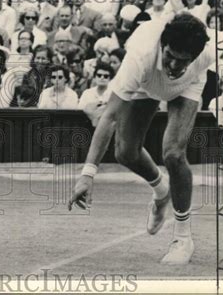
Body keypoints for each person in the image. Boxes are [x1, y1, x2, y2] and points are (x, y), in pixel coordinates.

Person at [68, 14, 214, 265]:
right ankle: (162, 190)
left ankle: (182, 238)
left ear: (194, 57)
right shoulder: (140, 56)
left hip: (187, 87)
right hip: (146, 83)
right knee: (125, 152)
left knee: (173, 153)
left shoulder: (207, 54)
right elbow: (110, 116)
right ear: (161, 46)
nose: (174, 66)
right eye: (170, 56)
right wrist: (87, 174)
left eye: (183, 61)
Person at [78, 62, 113, 126]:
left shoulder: (113, 94)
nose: (102, 78)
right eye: (99, 75)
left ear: (110, 79)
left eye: (106, 76)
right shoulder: (87, 93)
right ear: (94, 77)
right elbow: (80, 110)